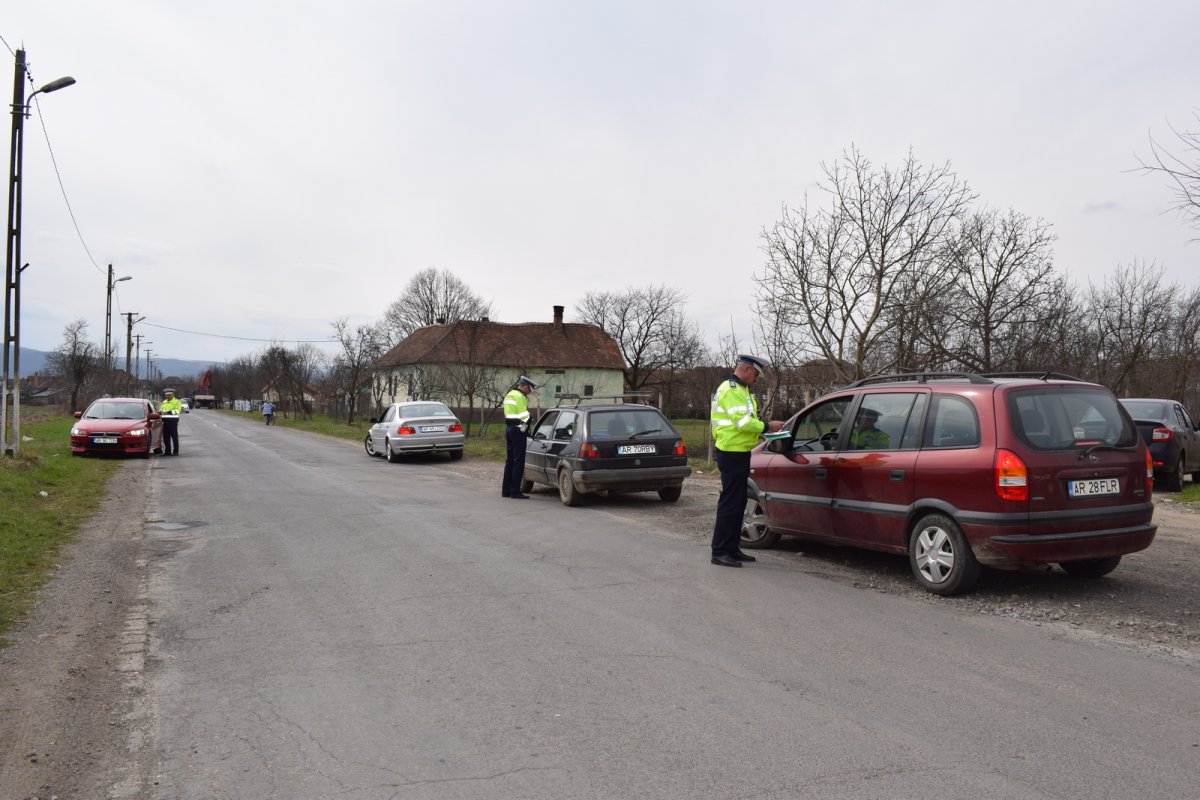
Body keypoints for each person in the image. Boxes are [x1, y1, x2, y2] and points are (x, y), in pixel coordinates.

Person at [709, 354, 782, 567]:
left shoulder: (742, 390)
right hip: (731, 452)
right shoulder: (731, 390)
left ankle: (732, 548)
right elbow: (743, 423)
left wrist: (762, 432)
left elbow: (746, 423)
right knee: (730, 503)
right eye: (756, 374)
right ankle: (720, 551)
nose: (757, 378)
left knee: (738, 501)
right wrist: (768, 427)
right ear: (747, 369)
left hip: (739, 451)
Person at [501, 376, 537, 499]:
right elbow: (524, 416)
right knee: (519, 461)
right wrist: (531, 418)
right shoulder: (520, 397)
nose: (530, 393)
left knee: (510, 460)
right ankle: (515, 491)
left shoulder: (509, 394)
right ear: (525, 387)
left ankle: (506, 490)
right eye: (530, 390)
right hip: (518, 431)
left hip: (509, 429)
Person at [159, 388, 183, 456]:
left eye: (170, 395)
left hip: (173, 422)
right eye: (167, 395)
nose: (168, 396)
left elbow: (177, 411)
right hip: (165, 422)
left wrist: (168, 412)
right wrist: (160, 412)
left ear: (173, 395)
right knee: (166, 438)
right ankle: (167, 452)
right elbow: (161, 410)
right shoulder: (164, 402)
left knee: (174, 437)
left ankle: (175, 452)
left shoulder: (177, 402)